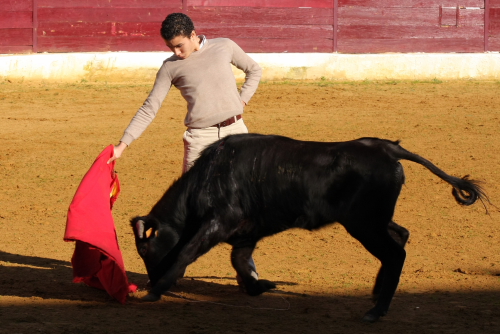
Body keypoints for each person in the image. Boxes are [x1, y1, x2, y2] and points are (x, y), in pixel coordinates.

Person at [108, 12, 261, 285]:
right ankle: (174, 269)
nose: (177, 52)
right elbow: (149, 108)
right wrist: (123, 145)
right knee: (192, 208)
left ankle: (246, 269)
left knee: (241, 205)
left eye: (180, 45)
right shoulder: (170, 67)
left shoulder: (224, 46)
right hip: (200, 139)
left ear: (193, 35)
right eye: (170, 47)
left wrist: (242, 101)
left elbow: (254, 69)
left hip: (236, 134)